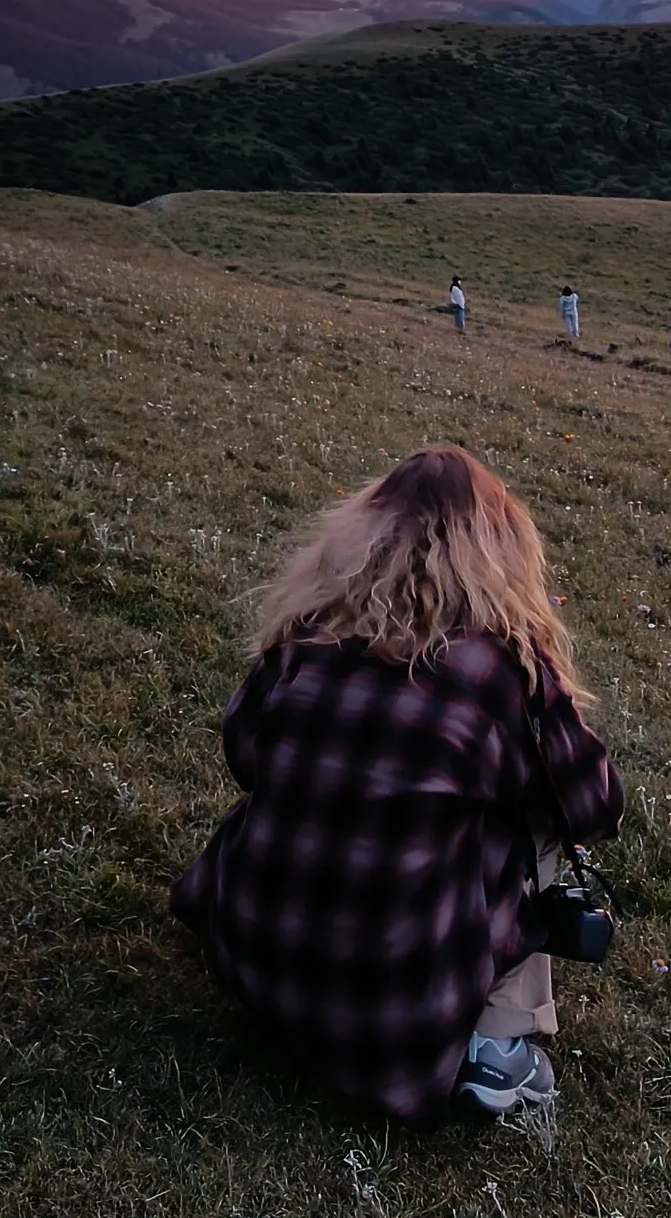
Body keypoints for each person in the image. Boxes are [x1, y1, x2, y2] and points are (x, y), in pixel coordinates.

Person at [170, 444, 624, 1122]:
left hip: (255, 967)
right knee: (536, 819)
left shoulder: (309, 633)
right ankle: (499, 1048)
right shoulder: (500, 667)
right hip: (393, 1020)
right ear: (497, 546)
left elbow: (245, 753)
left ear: (365, 529)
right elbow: (591, 806)